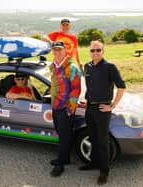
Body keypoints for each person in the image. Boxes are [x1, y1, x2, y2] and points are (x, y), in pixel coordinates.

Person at [80, 40, 126, 185]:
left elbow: (121, 87)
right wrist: (88, 101)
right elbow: (90, 87)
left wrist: (112, 105)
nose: (95, 53)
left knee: (102, 141)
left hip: (102, 109)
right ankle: (94, 162)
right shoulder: (87, 66)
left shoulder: (110, 67)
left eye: (98, 50)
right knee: (92, 137)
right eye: (92, 50)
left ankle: (104, 171)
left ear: (103, 51)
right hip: (90, 108)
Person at [49, 41, 81, 177]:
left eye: (59, 50)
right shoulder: (53, 66)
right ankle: (65, 158)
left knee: (64, 137)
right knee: (61, 134)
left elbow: (76, 89)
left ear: (65, 51)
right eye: (54, 50)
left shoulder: (72, 67)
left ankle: (60, 165)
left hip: (65, 108)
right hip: (55, 106)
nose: (57, 52)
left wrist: (70, 108)